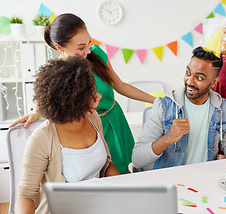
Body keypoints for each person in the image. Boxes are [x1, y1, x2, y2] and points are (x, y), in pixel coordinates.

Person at [9, 13, 156, 174]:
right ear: (59, 47)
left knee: (125, 171)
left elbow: (119, 85)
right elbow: (46, 104)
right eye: (81, 47)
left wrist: (156, 100)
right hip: (89, 129)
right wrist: (35, 115)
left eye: (88, 43)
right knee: (101, 175)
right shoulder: (53, 74)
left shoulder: (96, 55)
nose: (88, 50)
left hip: (115, 120)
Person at [15, 56, 120, 214]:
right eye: (92, 95)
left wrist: (125, 189)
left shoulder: (93, 118)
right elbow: (26, 196)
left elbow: (106, 166)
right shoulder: (42, 139)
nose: (99, 96)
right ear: (74, 102)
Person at [132, 47, 226, 170]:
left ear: (214, 82)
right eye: (188, 73)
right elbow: (137, 159)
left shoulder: (224, 108)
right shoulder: (163, 106)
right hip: (170, 181)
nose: (190, 82)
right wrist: (167, 138)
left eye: (199, 78)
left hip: (203, 179)